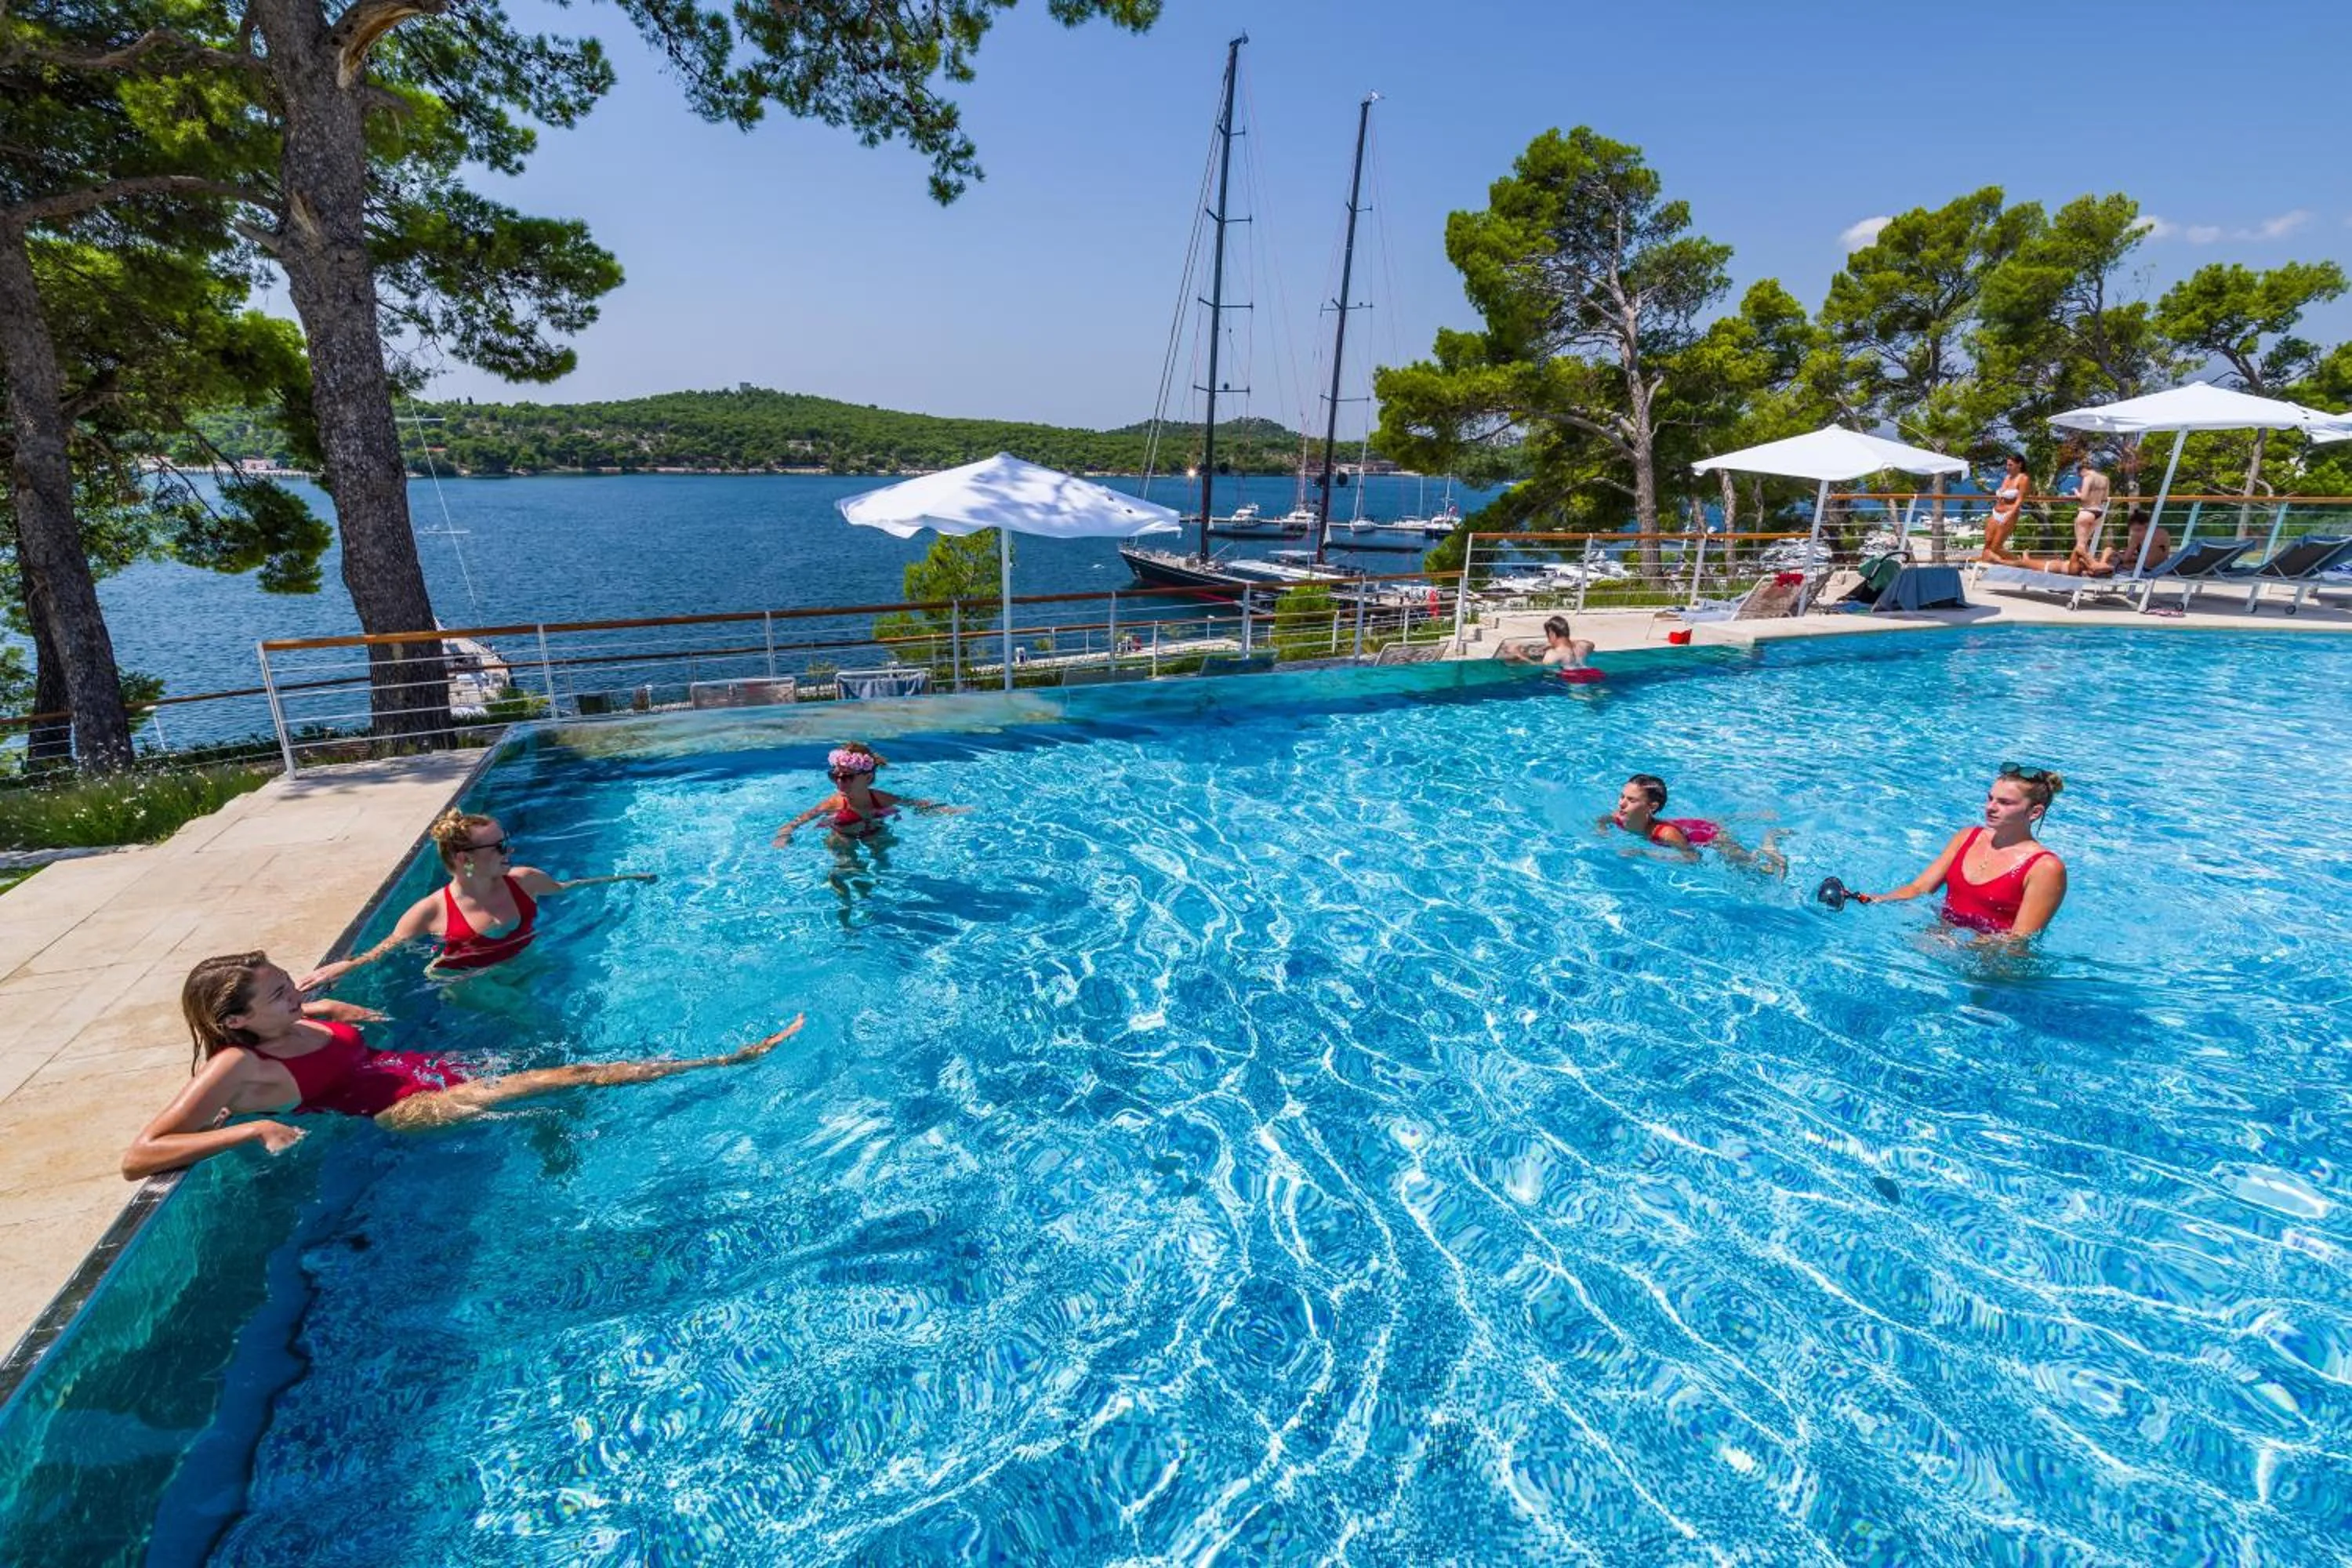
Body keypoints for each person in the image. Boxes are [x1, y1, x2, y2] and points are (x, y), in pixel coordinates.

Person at [122, 953, 802, 1178]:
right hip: (399, 1109)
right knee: (567, 1076)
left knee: (544, 1074)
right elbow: (141, 1154)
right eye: (278, 994)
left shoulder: (300, 1014)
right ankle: (726, 1060)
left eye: (288, 982)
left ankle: (550, 1142)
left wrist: (336, 997)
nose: (295, 994)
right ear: (236, 1021)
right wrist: (251, 1129)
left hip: (419, 1070)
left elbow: (323, 1003)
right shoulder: (235, 1066)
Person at [296, 810, 655, 992]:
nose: (509, 851)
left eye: (506, 841)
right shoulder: (430, 912)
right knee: (531, 1020)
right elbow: (384, 950)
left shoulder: (525, 881)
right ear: (464, 858)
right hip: (468, 982)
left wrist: (625, 879)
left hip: (522, 960)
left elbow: (566, 887)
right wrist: (346, 967)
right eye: (499, 846)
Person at [1846, 764, 2069, 936]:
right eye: (1990, 798)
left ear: (2035, 812)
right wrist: (1875, 899)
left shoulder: (2045, 868)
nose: (1990, 807)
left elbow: (2018, 941)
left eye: (2005, 803)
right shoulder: (1967, 838)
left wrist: (1958, 943)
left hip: (1990, 969)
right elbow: (1919, 888)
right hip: (1941, 941)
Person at [773, 742, 964, 848]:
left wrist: (950, 810)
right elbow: (797, 821)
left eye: (847, 777)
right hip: (843, 835)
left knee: (884, 856)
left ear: (868, 778)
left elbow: (914, 804)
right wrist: (784, 835)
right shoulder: (834, 803)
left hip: (874, 832)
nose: (839, 781)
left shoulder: (879, 798)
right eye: (834, 776)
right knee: (844, 863)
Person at [1598, 774, 1786, 873]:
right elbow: (1602, 820)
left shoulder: (1666, 834)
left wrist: (1644, 853)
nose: (1621, 803)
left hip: (1710, 836)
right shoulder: (1619, 817)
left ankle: (1770, 839)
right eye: (1622, 796)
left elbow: (1693, 858)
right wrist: (1602, 830)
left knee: (1754, 868)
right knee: (1712, 820)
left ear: (1652, 807)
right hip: (1688, 824)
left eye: (1631, 800)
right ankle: (1755, 815)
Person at [1980, 455, 2031, 560]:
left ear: (2019, 464)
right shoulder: (2007, 477)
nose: (2007, 467)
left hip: (2009, 514)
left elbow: (2020, 500)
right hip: (1996, 512)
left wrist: (2009, 516)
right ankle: (1988, 563)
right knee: (1988, 543)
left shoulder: (2023, 479)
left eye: (2010, 465)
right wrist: (1983, 486)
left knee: (1995, 548)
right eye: (2007, 465)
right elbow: (2001, 493)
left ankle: (2019, 561)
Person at [1501, 615, 1596, 671]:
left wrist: (1519, 655)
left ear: (1552, 634)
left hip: (1573, 681)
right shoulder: (1582, 646)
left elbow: (1540, 667)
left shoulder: (1554, 653)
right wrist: (1563, 643)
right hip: (1589, 672)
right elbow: (1592, 645)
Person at [2071, 456, 2112, 560]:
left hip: (2087, 512)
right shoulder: (2105, 479)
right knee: (2084, 543)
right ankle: (2087, 563)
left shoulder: (2088, 477)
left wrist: (2076, 492)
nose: (2081, 477)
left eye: (2080, 475)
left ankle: (2088, 565)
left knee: (2080, 545)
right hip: (2099, 513)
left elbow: (2083, 497)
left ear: (2082, 470)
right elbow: (2105, 498)